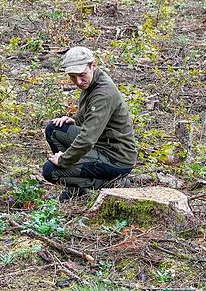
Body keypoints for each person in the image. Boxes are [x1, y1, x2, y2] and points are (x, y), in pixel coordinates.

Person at [42, 47, 138, 201]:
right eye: (73, 77)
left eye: (81, 75)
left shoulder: (104, 93)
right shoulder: (94, 79)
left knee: (51, 171)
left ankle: (109, 183)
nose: (78, 82)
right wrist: (75, 119)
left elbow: (87, 139)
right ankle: (75, 185)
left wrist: (64, 160)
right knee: (54, 129)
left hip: (116, 158)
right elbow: (88, 110)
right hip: (101, 144)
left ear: (93, 65)